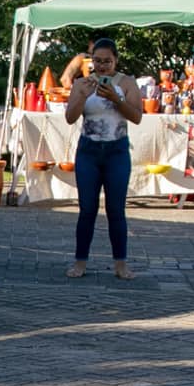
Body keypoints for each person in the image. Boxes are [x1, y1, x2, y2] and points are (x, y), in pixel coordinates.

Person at [64, 37, 143, 279]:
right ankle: (80, 262)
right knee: (87, 209)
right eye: (97, 61)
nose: (102, 66)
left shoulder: (127, 83)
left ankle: (121, 264)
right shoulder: (82, 84)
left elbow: (137, 116)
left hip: (116, 151)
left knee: (116, 210)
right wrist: (81, 96)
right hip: (89, 151)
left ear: (115, 60)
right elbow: (70, 117)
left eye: (107, 61)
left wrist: (115, 99)